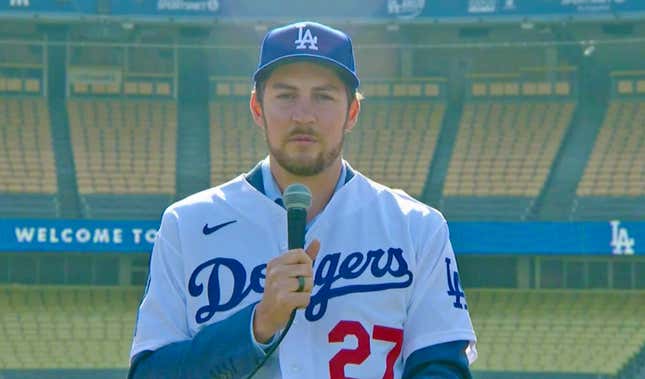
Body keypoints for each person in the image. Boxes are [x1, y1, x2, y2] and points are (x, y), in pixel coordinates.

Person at [128, 21, 477, 379]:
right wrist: (257, 325)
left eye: (324, 96)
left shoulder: (416, 226)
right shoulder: (186, 225)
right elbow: (149, 373)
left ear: (352, 113)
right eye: (286, 95)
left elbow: (441, 365)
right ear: (257, 108)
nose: (303, 115)